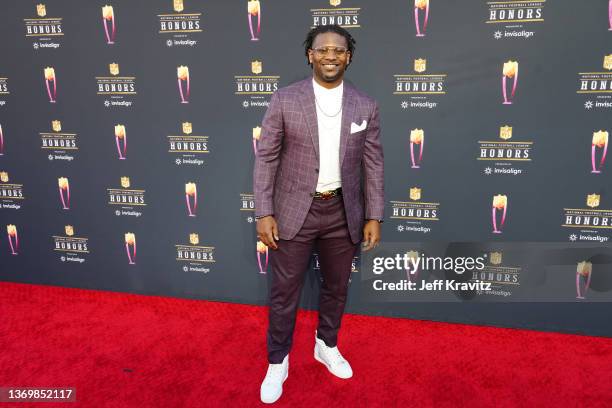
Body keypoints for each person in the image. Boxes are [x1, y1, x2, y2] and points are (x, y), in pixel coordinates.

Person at [253, 24, 384, 404]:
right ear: (310, 55)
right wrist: (264, 211)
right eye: (323, 49)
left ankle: (326, 345)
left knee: (337, 288)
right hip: (294, 209)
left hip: (344, 212)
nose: (331, 55)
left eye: (338, 50)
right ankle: (278, 361)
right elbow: (267, 158)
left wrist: (374, 214)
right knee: (283, 294)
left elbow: (373, 164)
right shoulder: (284, 99)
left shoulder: (366, 105)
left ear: (349, 57)